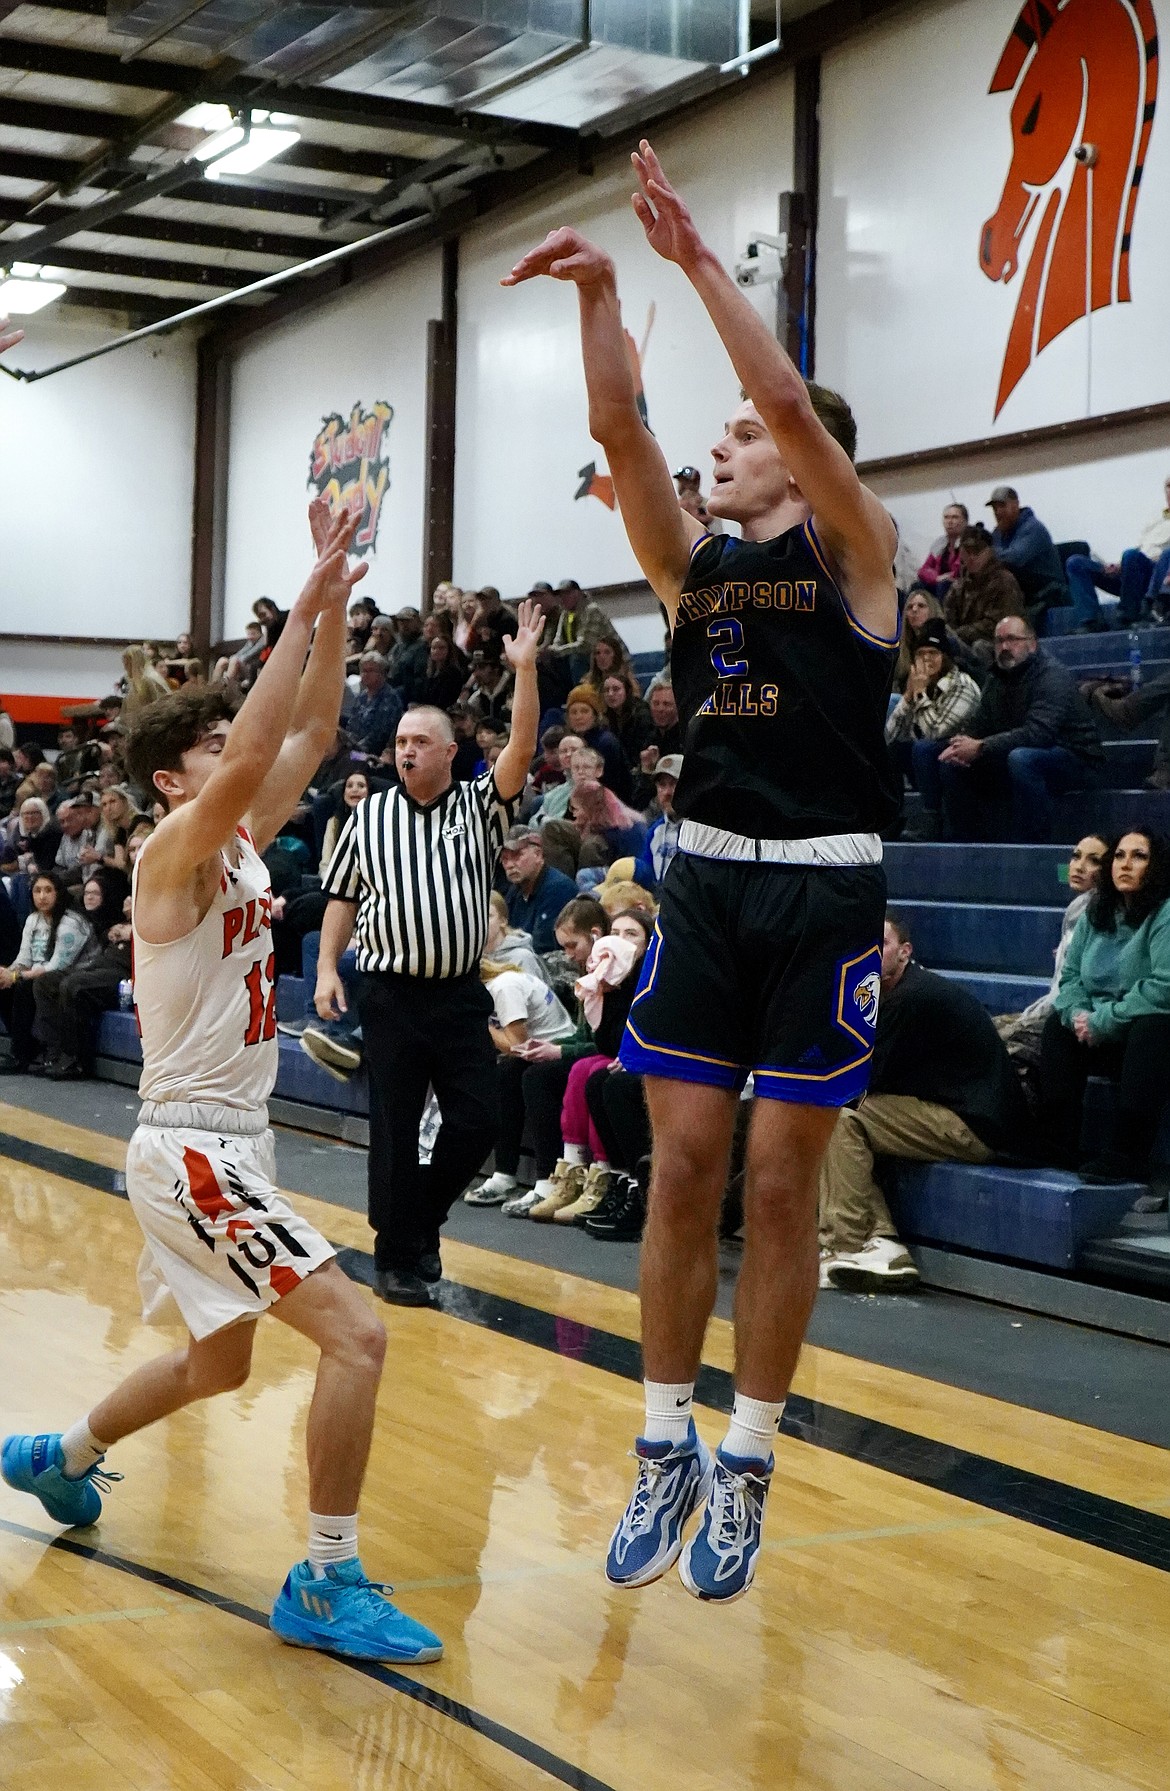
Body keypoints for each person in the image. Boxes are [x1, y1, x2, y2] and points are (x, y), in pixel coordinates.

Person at [504, 138, 900, 1602]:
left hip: (823, 893)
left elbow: (791, 402)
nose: (721, 445)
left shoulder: (860, 557)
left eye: (740, 438)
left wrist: (689, 260)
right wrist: (602, 292)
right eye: (722, 431)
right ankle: (661, 1438)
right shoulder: (694, 572)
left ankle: (747, 1453)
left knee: (783, 1190)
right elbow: (619, 432)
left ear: (798, 467)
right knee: (677, 1168)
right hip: (709, 889)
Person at [1, 503, 447, 1667]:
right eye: (206, 754)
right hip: (190, 1146)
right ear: (170, 778)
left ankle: (65, 1458)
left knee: (222, 1361)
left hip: (232, 1144)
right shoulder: (166, 855)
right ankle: (326, 1575)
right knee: (356, 1338)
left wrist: (339, 602)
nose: (231, 762)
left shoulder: (240, 843)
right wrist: (299, 595)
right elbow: (257, 749)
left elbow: (304, 731)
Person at [314, 603, 546, 1305]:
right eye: (401, 739)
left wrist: (526, 670)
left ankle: (418, 1222)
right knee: (392, 1128)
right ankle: (396, 1256)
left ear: (451, 751)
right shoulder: (369, 813)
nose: (407, 748)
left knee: (477, 1119)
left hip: (455, 993)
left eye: (422, 739)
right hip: (387, 991)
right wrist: (326, 966)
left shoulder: (480, 805)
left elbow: (524, 749)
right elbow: (343, 898)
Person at [819, 914, 1032, 1290]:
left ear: (904, 952)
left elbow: (863, 1080)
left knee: (842, 1114)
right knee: (841, 1111)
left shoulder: (912, 998)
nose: (870, 953)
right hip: (951, 1112)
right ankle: (882, 1241)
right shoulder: (893, 993)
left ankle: (845, 1244)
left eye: (881, 944)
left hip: (975, 1126)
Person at [1038, 831, 1170, 1185]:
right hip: (1100, 1028)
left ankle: (1129, 1154)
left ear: (1156, 866)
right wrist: (1078, 1015)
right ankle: (1058, 1145)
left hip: (1145, 1035)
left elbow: (1163, 987)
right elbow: (1069, 979)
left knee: (1154, 1027)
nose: (1125, 864)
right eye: (1119, 856)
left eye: (1139, 856)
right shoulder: (1095, 911)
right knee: (1056, 1028)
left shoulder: (1165, 913)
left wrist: (1103, 1021)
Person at [915, 618, 1103, 842]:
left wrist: (982, 746)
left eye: (1012, 639)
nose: (1004, 647)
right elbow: (979, 724)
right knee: (946, 758)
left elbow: (1038, 734)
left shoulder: (1052, 676)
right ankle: (965, 842)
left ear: (1032, 644)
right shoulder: (996, 677)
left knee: (1022, 759)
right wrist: (960, 744)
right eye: (999, 641)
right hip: (1016, 752)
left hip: (1074, 756)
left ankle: (1034, 844)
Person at [995, 834, 1109, 1070]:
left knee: (988, 1047)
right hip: (1054, 1009)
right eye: (1076, 856)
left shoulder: (1102, 912)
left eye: (1093, 860)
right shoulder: (1079, 906)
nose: (1079, 866)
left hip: (1073, 1019)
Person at [33, 867, 131, 1080]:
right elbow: (101, 939)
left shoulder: (145, 923)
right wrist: (113, 932)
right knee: (47, 981)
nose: (128, 901)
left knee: (74, 984)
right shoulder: (115, 922)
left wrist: (133, 930)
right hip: (99, 965)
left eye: (95, 894)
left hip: (123, 973)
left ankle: (75, 1060)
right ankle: (53, 1052)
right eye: (87, 893)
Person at [0, 870, 92, 1071]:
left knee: (25, 987)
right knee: (6, 987)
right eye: (37, 891)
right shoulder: (33, 919)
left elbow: (57, 965)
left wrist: (16, 976)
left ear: (58, 893)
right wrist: (7, 974)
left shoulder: (71, 923)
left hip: (74, 974)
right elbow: (24, 958)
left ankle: (25, 1055)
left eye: (48, 890)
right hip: (38, 974)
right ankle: (25, 1049)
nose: (42, 896)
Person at [885, 620, 982, 806]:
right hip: (928, 756)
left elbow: (934, 733)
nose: (926, 659)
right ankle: (891, 816)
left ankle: (932, 818)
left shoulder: (962, 684)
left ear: (945, 657)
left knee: (923, 748)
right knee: (894, 750)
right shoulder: (918, 683)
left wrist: (920, 694)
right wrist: (907, 697)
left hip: (960, 751)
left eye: (933, 653)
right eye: (921, 654)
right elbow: (889, 736)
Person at [1063, 477, 1170, 630]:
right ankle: (1090, 621)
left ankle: (1128, 614)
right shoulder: (1157, 517)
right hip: (1133, 573)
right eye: (1168, 486)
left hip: (1158, 577)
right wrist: (1119, 566)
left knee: (1131, 555)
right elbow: (1142, 548)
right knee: (1076, 563)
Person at [944, 525, 1027, 660]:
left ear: (990, 552)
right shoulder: (959, 586)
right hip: (964, 642)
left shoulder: (1004, 581)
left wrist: (958, 634)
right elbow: (948, 619)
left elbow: (996, 624)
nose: (971, 557)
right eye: (967, 551)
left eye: (977, 552)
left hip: (1000, 643)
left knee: (980, 647)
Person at [500, 824, 578, 953]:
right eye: (505, 859)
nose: (509, 865)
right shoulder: (514, 891)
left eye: (517, 856)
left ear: (538, 854)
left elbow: (543, 947)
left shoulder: (558, 888)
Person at [563, 683, 630, 798]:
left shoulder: (606, 743)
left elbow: (610, 785)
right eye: (573, 712)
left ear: (595, 715)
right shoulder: (570, 741)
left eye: (584, 711)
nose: (578, 717)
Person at [636, 754, 684, 887]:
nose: (667, 793)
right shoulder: (654, 831)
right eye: (662, 785)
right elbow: (646, 877)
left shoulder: (702, 831)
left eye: (674, 784)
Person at [346, 652, 403, 758]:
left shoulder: (390, 698)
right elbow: (351, 725)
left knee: (344, 758)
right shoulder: (362, 696)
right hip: (352, 749)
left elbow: (378, 737)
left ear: (382, 673)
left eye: (371, 671)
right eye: (363, 671)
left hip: (372, 755)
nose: (365, 675)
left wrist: (352, 750)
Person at [916, 503, 968, 595]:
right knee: (916, 586)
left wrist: (943, 578)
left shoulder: (968, 542)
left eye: (955, 517)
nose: (950, 521)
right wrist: (936, 578)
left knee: (944, 585)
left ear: (965, 521)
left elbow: (958, 571)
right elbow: (923, 570)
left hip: (960, 586)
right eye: (946, 517)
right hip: (938, 582)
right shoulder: (940, 543)